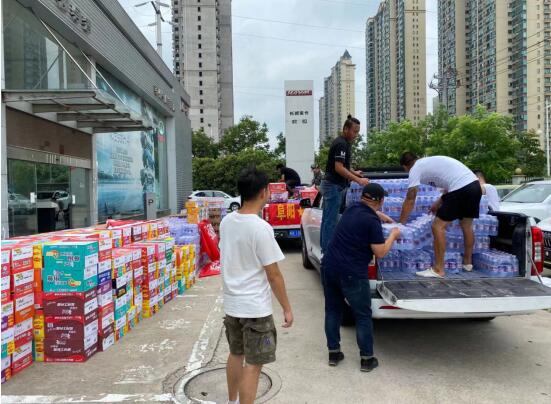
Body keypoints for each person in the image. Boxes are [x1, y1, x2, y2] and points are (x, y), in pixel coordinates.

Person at [220, 167, 294, 404]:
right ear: (264, 192)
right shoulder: (261, 228)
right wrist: (287, 308)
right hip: (255, 310)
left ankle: (232, 401)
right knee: (253, 366)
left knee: (235, 355)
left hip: (232, 305)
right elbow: (274, 275)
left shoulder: (227, 221)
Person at [322, 183, 400, 372]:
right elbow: (380, 252)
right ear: (380, 201)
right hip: (352, 272)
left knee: (333, 310)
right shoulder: (371, 222)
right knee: (363, 315)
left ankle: (334, 353)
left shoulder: (352, 209)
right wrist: (394, 234)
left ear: (363, 198)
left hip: (329, 267)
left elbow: (369, 214)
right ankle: (367, 359)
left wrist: (383, 217)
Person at [399, 152, 482, 278]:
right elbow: (449, 187)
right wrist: (438, 203)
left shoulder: (416, 167)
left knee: (437, 227)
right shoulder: (429, 163)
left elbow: (411, 198)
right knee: (466, 225)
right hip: (475, 186)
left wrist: (401, 225)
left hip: (461, 188)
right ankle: (467, 263)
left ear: (406, 167)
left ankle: (438, 269)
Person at [320, 115, 369, 252]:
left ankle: (326, 249)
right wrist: (359, 180)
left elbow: (344, 166)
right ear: (345, 129)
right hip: (333, 186)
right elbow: (339, 168)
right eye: (354, 131)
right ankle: (328, 252)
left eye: (358, 132)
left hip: (333, 185)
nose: (356, 135)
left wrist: (354, 173)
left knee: (328, 219)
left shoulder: (344, 143)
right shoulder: (341, 143)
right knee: (330, 220)